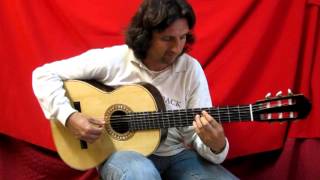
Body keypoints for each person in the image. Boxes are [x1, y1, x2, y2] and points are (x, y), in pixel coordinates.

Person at [32, 0, 238, 179]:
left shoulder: (190, 69)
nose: (177, 48)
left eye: (182, 37)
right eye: (167, 39)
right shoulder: (115, 59)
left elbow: (196, 133)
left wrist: (216, 145)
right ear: (146, 35)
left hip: (176, 155)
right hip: (121, 154)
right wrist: (70, 117)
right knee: (141, 175)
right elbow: (43, 75)